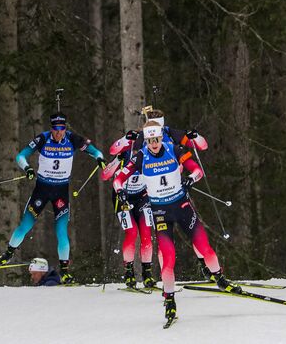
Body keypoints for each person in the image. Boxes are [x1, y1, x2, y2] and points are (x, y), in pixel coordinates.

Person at [113, 121, 240, 321]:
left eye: (157, 139)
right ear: (146, 140)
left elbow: (197, 170)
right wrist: (120, 192)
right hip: (161, 212)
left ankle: (220, 278)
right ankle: (170, 300)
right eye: (151, 140)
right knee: (168, 258)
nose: (155, 144)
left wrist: (191, 179)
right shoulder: (139, 157)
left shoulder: (174, 149)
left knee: (205, 248)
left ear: (161, 137)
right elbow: (118, 179)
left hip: (181, 207)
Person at [0, 112, 106, 284]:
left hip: (61, 191)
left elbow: (96, 151)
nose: (59, 133)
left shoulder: (73, 139)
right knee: (26, 225)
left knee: (61, 232)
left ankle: (65, 271)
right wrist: (28, 169)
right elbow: (20, 156)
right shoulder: (42, 139)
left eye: (62, 129)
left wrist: (99, 158)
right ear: (51, 128)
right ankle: (7, 254)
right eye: (55, 129)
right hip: (42, 190)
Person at [108, 109, 212, 279]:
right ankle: (160, 276)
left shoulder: (171, 133)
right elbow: (114, 150)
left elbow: (202, 145)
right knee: (159, 237)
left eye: (160, 129)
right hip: (153, 194)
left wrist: (196, 136)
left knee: (192, 228)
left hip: (176, 190)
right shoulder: (142, 137)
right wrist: (124, 140)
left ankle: (206, 266)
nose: (156, 138)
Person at [101, 149, 156, 289]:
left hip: (142, 196)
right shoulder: (125, 155)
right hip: (122, 197)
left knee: (146, 234)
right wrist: (117, 159)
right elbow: (105, 175)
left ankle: (147, 274)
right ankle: (129, 272)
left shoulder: (150, 155)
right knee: (131, 233)